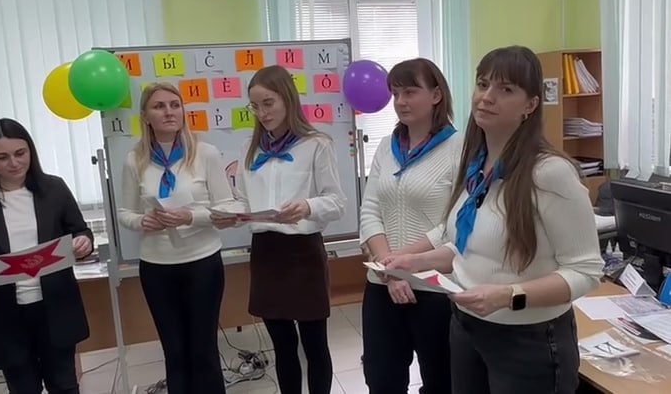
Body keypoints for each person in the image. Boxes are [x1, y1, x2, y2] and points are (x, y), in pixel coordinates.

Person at [386, 46, 604, 394]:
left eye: (505, 89)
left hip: (527, 341)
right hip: (467, 328)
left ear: (530, 105)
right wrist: (418, 261)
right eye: (483, 84)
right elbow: (466, 246)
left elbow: (586, 271)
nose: (486, 97)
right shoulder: (475, 164)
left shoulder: (550, 173)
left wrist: (508, 295)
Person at [211, 65, 346, 394]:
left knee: (314, 344)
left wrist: (307, 206)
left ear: (288, 98)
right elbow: (245, 201)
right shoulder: (250, 147)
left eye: (268, 103)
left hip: (303, 253)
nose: (262, 113)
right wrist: (230, 214)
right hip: (267, 254)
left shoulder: (316, 144)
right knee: (282, 345)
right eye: (255, 106)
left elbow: (337, 202)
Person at [0, 118, 93, 394]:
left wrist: (83, 242)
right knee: (23, 387)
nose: (14, 163)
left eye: (20, 153)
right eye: (2, 157)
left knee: (64, 385)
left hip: (54, 306)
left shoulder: (54, 189)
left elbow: (80, 231)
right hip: (4, 313)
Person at [118, 82, 233, 394]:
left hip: (202, 263)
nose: (169, 112)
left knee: (203, 349)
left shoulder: (205, 153)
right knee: (175, 351)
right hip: (157, 267)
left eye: (174, 104)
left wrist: (190, 217)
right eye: (159, 106)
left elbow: (228, 208)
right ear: (146, 116)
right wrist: (142, 221)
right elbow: (125, 212)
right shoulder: (134, 159)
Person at [359, 58, 459, 394]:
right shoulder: (387, 147)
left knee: (442, 382)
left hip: (436, 287)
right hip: (382, 284)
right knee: (382, 380)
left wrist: (402, 264)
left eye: (410, 92)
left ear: (436, 95)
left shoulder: (460, 149)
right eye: (396, 93)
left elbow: (454, 224)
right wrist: (389, 270)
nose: (400, 101)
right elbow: (370, 209)